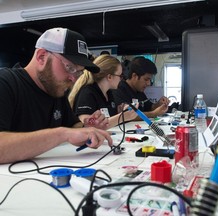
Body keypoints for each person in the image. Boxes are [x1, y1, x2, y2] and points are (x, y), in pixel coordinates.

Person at [0, 27, 113, 164]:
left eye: (79, 72)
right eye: (70, 68)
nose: (74, 78)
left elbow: (71, 126)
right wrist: (62, 134)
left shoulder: (56, 90)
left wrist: (87, 129)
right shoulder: (6, 83)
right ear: (41, 57)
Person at [68, 54, 138, 128]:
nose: (121, 79)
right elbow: (87, 126)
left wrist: (120, 110)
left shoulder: (108, 93)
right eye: (120, 76)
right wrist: (122, 117)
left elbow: (108, 118)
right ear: (109, 77)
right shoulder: (87, 93)